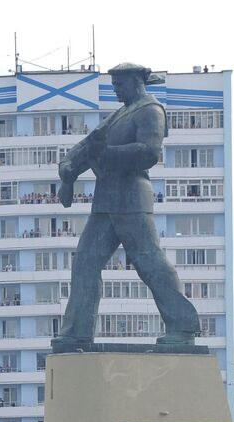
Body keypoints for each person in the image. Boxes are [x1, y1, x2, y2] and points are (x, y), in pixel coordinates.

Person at [55, 62, 201, 351]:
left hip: (132, 197)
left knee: (149, 261)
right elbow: (86, 146)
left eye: (119, 84)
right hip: (106, 200)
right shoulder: (119, 115)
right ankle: (77, 333)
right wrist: (69, 167)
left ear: (136, 82)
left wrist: (105, 155)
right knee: (84, 263)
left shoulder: (150, 110)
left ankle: (183, 326)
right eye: (113, 84)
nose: (115, 89)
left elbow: (148, 152)